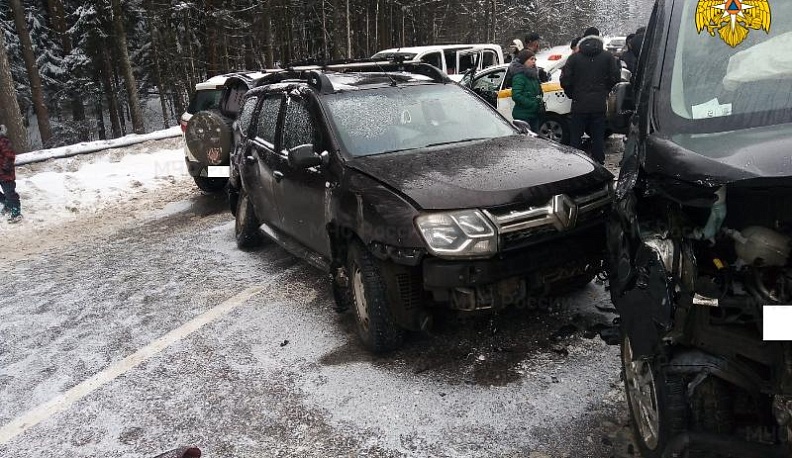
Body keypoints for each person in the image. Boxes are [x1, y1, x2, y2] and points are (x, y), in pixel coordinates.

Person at [560, 27, 621, 165]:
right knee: (598, 137)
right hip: (598, 104)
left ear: (583, 39)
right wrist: (605, 91)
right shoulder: (607, 57)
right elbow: (615, 77)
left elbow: (565, 80)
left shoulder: (574, 58)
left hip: (579, 104)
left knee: (576, 138)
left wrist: (572, 94)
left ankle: (575, 164)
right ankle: (599, 164)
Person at [510, 49, 544, 133]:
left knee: (535, 140)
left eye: (535, 59)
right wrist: (532, 104)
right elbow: (516, 95)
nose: (534, 61)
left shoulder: (533, 75)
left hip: (534, 114)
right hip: (523, 116)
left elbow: (539, 92)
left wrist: (540, 102)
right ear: (524, 61)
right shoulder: (519, 77)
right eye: (531, 59)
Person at [0, 124, 22, 223]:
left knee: (9, 193)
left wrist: (5, 168)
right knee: (8, 195)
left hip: (5, 173)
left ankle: (16, 212)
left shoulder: (3, 141)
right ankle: (8, 204)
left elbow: (9, 156)